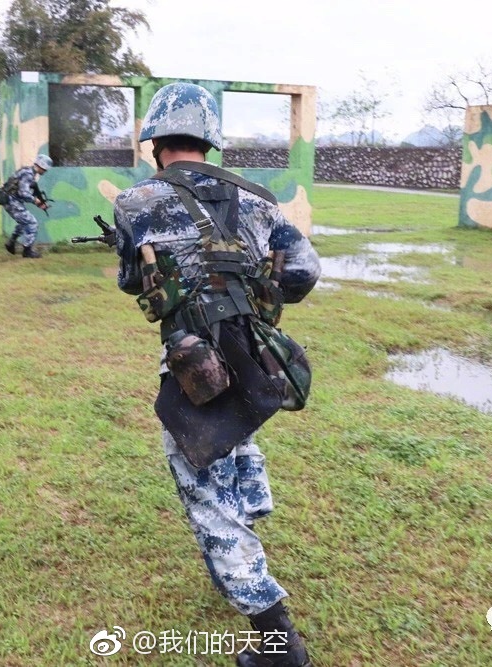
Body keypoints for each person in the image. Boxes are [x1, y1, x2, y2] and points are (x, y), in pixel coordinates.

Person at [112, 83, 321, 667]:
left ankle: (278, 642)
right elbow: (303, 271)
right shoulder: (257, 200)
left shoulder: (137, 203)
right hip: (253, 356)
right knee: (237, 442)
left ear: (157, 141)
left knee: (206, 491)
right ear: (209, 140)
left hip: (193, 362)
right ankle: (236, 545)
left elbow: (133, 282)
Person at [2, 153, 53, 258]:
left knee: (24, 222)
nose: (45, 171)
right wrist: (36, 201)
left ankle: (11, 243)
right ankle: (27, 250)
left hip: (11, 201)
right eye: (45, 168)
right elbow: (23, 193)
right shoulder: (28, 174)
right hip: (12, 202)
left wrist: (39, 203)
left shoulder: (27, 171)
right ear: (41, 166)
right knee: (32, 223)